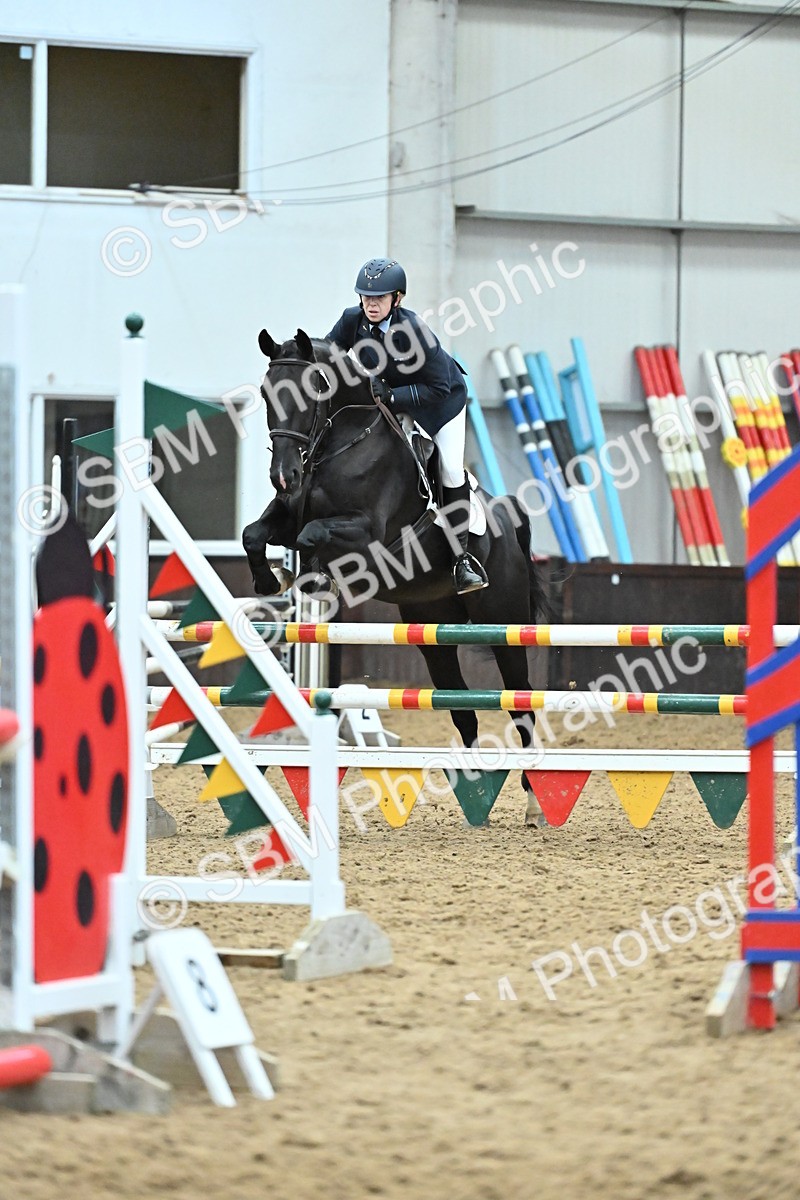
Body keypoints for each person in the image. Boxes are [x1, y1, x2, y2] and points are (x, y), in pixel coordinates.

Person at [326, 257, 488, 594]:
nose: (371, 304)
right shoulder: (351, 321)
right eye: (366, 297)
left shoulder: (414, 331)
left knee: (449, 470)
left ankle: (462, 560)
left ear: (396, 299)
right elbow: (328, 356)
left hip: (441, 405)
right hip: (396, 401)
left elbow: (438, 388)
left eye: (379, 298)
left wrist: (391, 395)